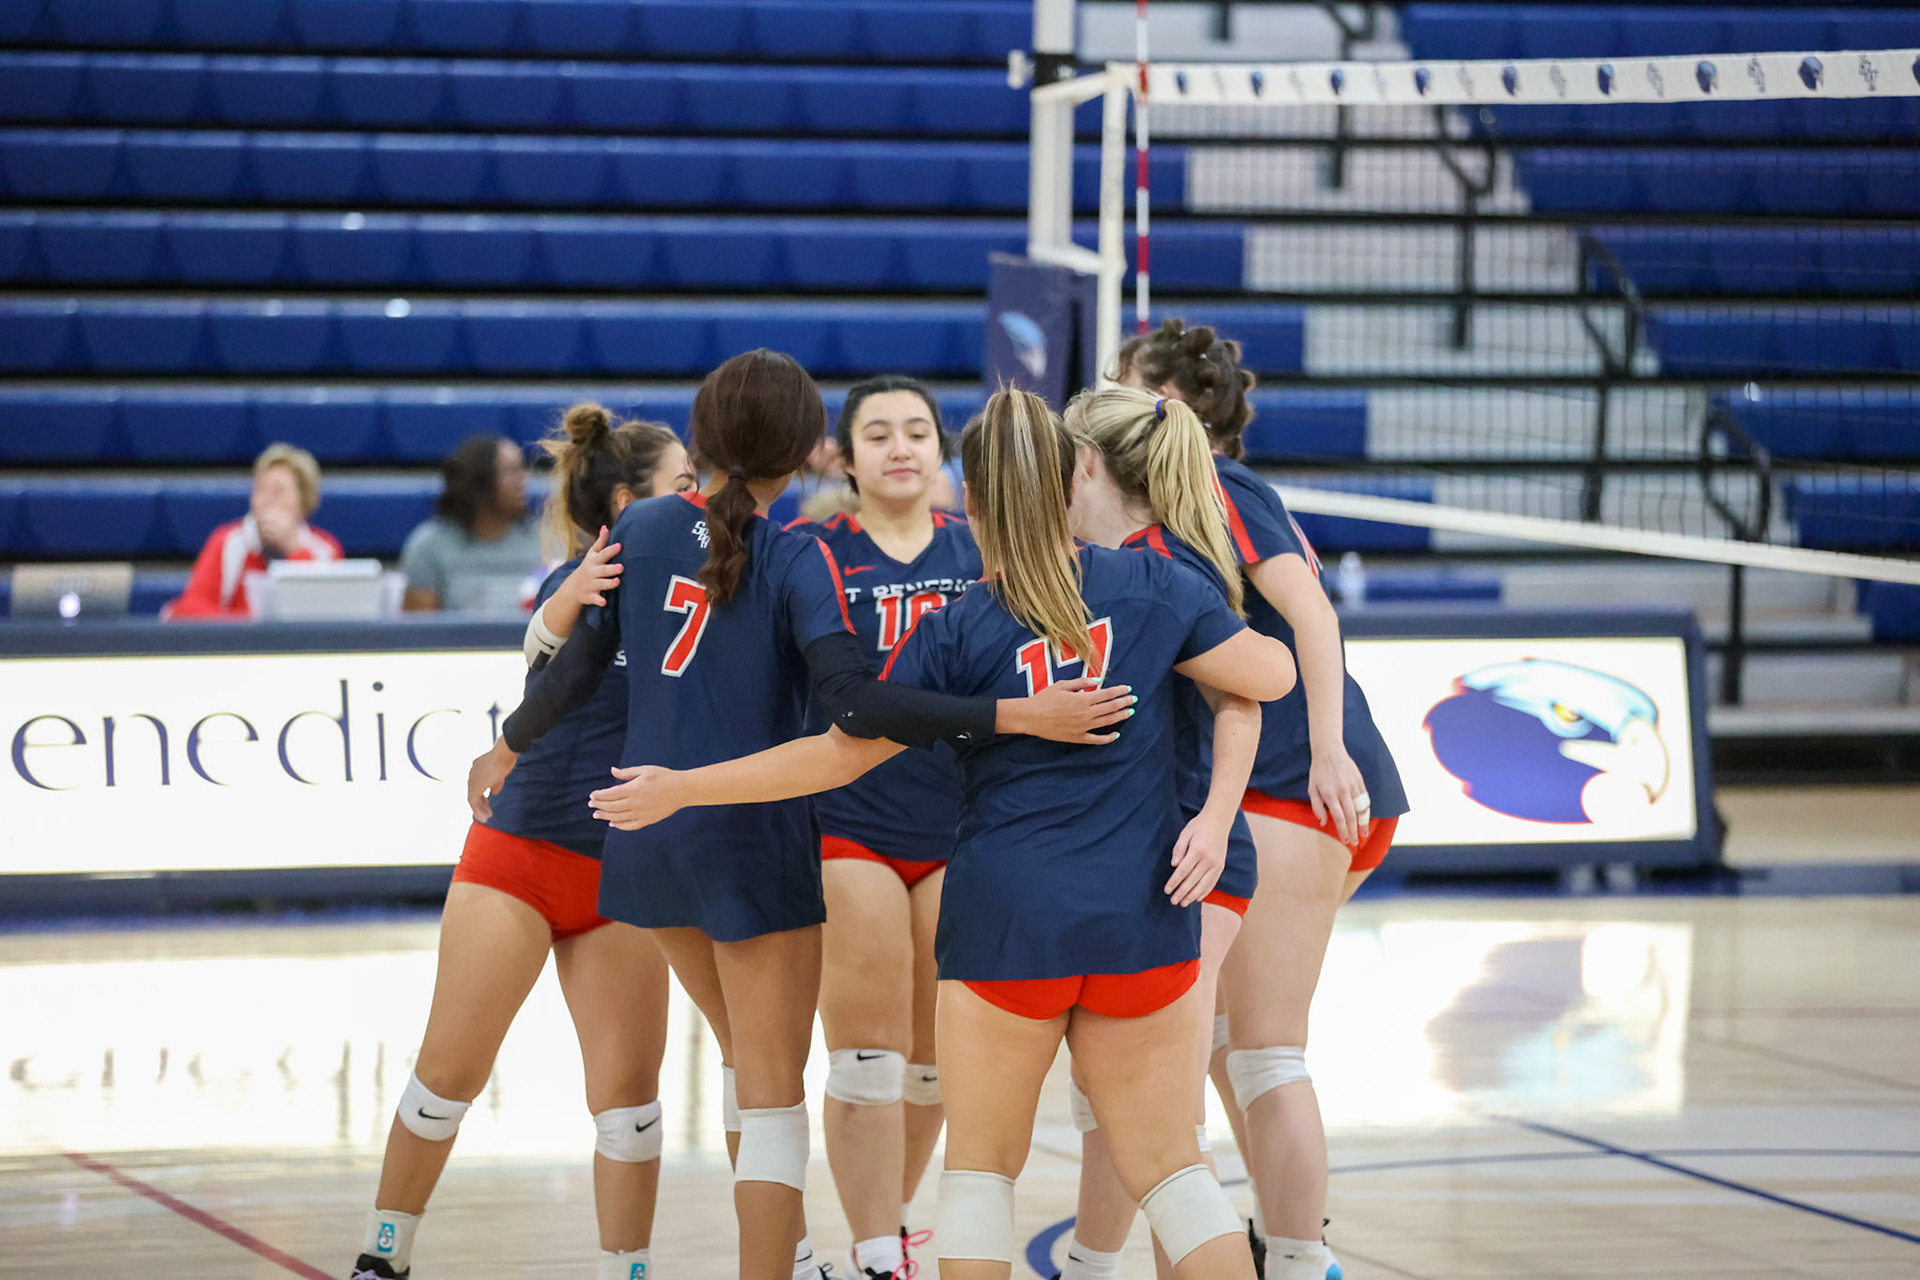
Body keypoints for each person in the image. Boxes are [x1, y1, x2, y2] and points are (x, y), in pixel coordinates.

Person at [584, 387, 1300, 1280]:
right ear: (1075, 474)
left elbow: (832, 758)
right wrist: (1212, 691)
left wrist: (686, 787)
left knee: (980, 1178)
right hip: (1139, 917)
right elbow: (1267, 679)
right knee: (1175, 1172)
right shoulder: (1157, 585)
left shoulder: (958, 625)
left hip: (1005, 923)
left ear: (976, 497)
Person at [464, 352, 1134, 1280]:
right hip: (753, 841)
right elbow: (857, 709)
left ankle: (812, 1256)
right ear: (816, 453)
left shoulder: (648, 524)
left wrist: (508, 741)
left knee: (750, 1058)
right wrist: (1011, 716)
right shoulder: (800, 557)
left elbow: (577, 668)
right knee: (772, 1103)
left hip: (647, 843)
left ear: (704, 437)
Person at [351, 405, 697, 1280]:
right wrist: (559, 611)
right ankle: (382, 1257)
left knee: (631, 1110)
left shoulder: (707, 582)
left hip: (623, 868)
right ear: (627, 504)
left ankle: (631, 1270)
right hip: (522, 859)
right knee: (446, 1083)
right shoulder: (583, 580)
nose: (701, 500)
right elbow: (546, 637)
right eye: (683, 486)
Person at [1120, 319, 1408, 1280]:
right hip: (1257, 782)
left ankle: (1293, 1260)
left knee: (1260, 1052)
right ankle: (1261, 1244)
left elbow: (1313, 614)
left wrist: (1327, 749)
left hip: (1293, 782)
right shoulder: (1163, 498)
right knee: (1213, 1044)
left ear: (1162, 401)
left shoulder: (1214, 483)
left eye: (1123, 384)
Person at [1054, 386, 1265, 1280]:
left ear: (1087, 464)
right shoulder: (1109, 559)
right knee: (1116, 1103)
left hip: (1188, 864)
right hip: (1143, 861)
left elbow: (1246, 698)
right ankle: (1090, 1265)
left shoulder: (1162, 565)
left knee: (1163, 1119)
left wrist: (1214, 825)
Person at [787, 376, 981, 1280]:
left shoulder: (985, 551)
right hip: (848, 821)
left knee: (936, 1062)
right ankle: (872, 1255)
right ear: (842, 455)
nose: (900, 447)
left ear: (941, 446)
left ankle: (894, 1223)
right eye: (877, 434)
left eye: (916, 431)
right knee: (868, 1058)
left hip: (959, 823)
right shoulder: (810, 551)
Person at [166, 442, 341, 618]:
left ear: (303, 502)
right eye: (260, 490)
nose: (267, 500)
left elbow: (325, 615)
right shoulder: (227, 542)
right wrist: (250, 628)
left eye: (278, 492)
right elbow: (192, 607)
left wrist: (293, 548)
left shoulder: (324, 550)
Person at [401, 433, 545, 612]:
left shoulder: (545, 541)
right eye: (511, 471)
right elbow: (417, 634)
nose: (522, 480)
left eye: (522, 469)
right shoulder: (429, 546)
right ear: (479, 481)